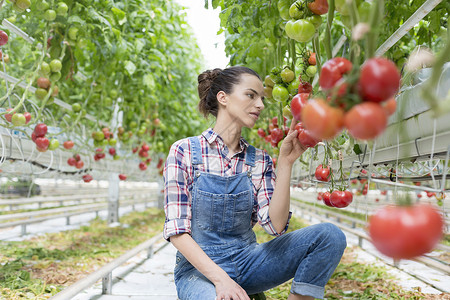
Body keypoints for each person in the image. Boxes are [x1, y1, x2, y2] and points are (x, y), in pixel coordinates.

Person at [163, 66, 346, 300]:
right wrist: (222, 281)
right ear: (223, 98)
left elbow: (275, 226)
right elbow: (177, 232)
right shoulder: (185, 151)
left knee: (330, 236)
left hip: (248, 261)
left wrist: (285, 163)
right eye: (251, 95)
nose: (260, 104)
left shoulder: (259, 159)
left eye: (261, 98)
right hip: (198, 272)